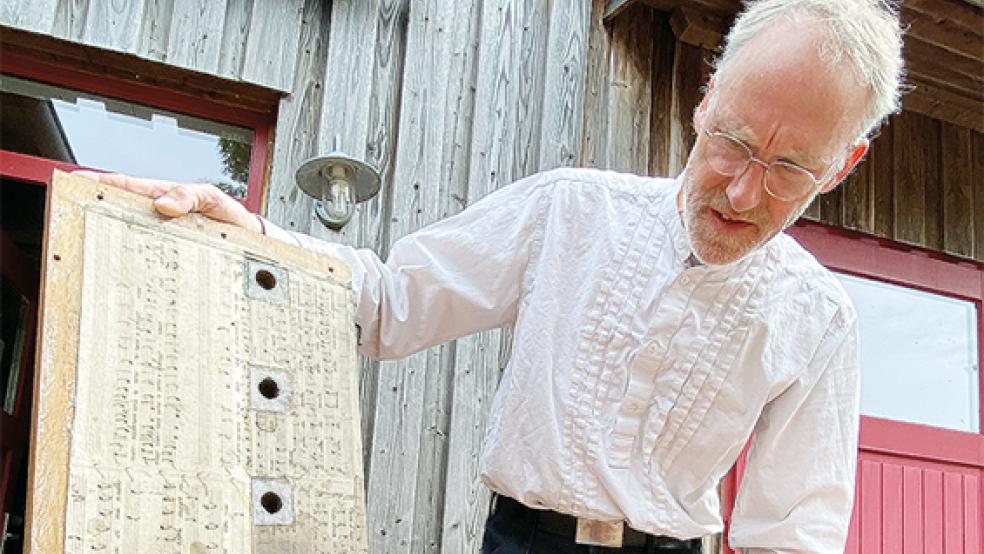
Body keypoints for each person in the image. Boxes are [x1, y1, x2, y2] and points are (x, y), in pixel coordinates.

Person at [79, 0, 905, 551]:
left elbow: (790, 534)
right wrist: (254, 236)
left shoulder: (819, 319)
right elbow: (388, 306)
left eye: (791, 167)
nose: (742, 189)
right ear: (707, 96)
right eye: (733, 140)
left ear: (843, 166)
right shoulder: (570, 211)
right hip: (521, 541)